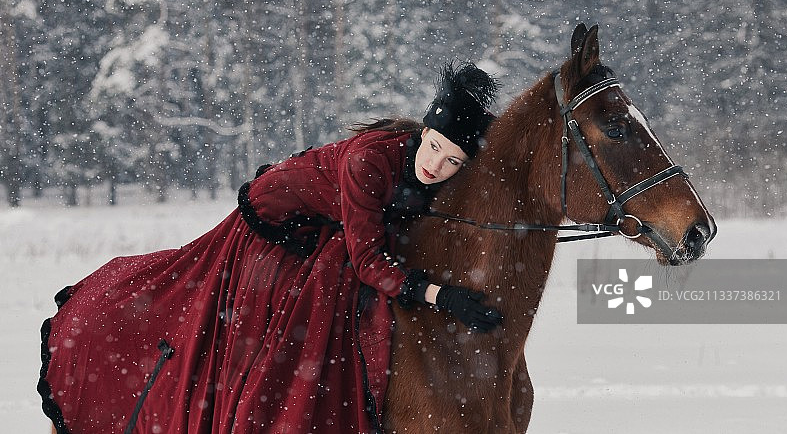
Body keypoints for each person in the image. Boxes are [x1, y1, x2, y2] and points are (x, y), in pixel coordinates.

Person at [38, 62, 502, 434]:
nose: (436, 165)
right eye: (434, 147)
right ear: (423, 133)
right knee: (300, 311)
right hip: (278, 222)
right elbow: (367, 262)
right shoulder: (370, 162)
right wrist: (440, 295)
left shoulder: (430, 170)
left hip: (325, 224)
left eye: (452, 160)